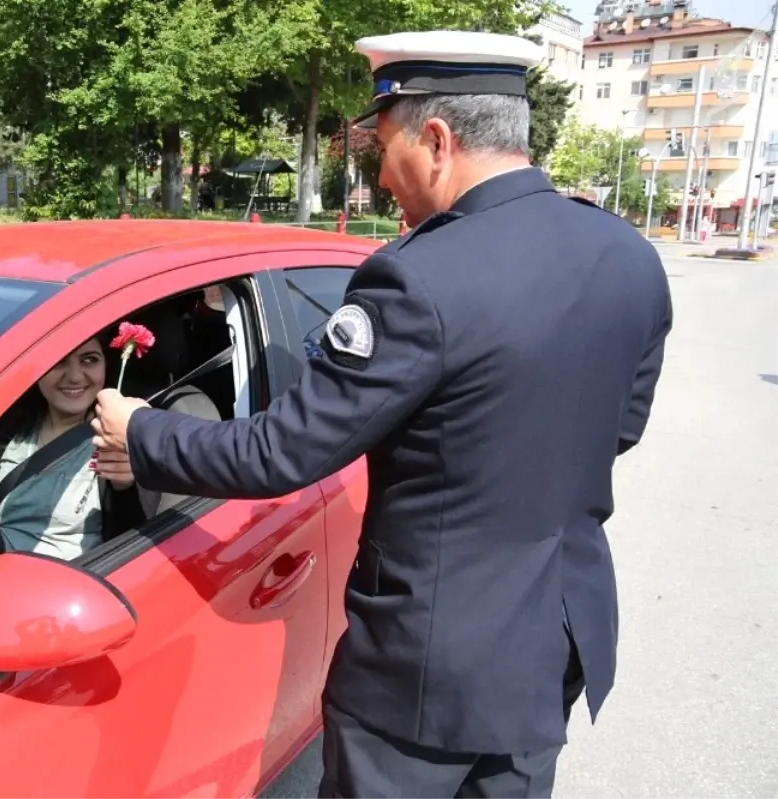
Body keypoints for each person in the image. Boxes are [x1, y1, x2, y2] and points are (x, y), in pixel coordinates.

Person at [92, 29, 673, 799]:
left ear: (436, 139)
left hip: (426, 676)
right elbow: (618, 429)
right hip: (551, 647)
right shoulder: (626, 254)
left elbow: (284, 452)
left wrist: (141, 431)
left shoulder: (418, 278)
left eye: (383, 146)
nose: (380, 172)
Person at [0, 334, 143, 564]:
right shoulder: (5, 429)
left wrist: (124, 487)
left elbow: (128, 549)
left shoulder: (113, 441)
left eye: (89, 359)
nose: (74, 376)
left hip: (65, 588)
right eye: (57, 361)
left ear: (106, 365)